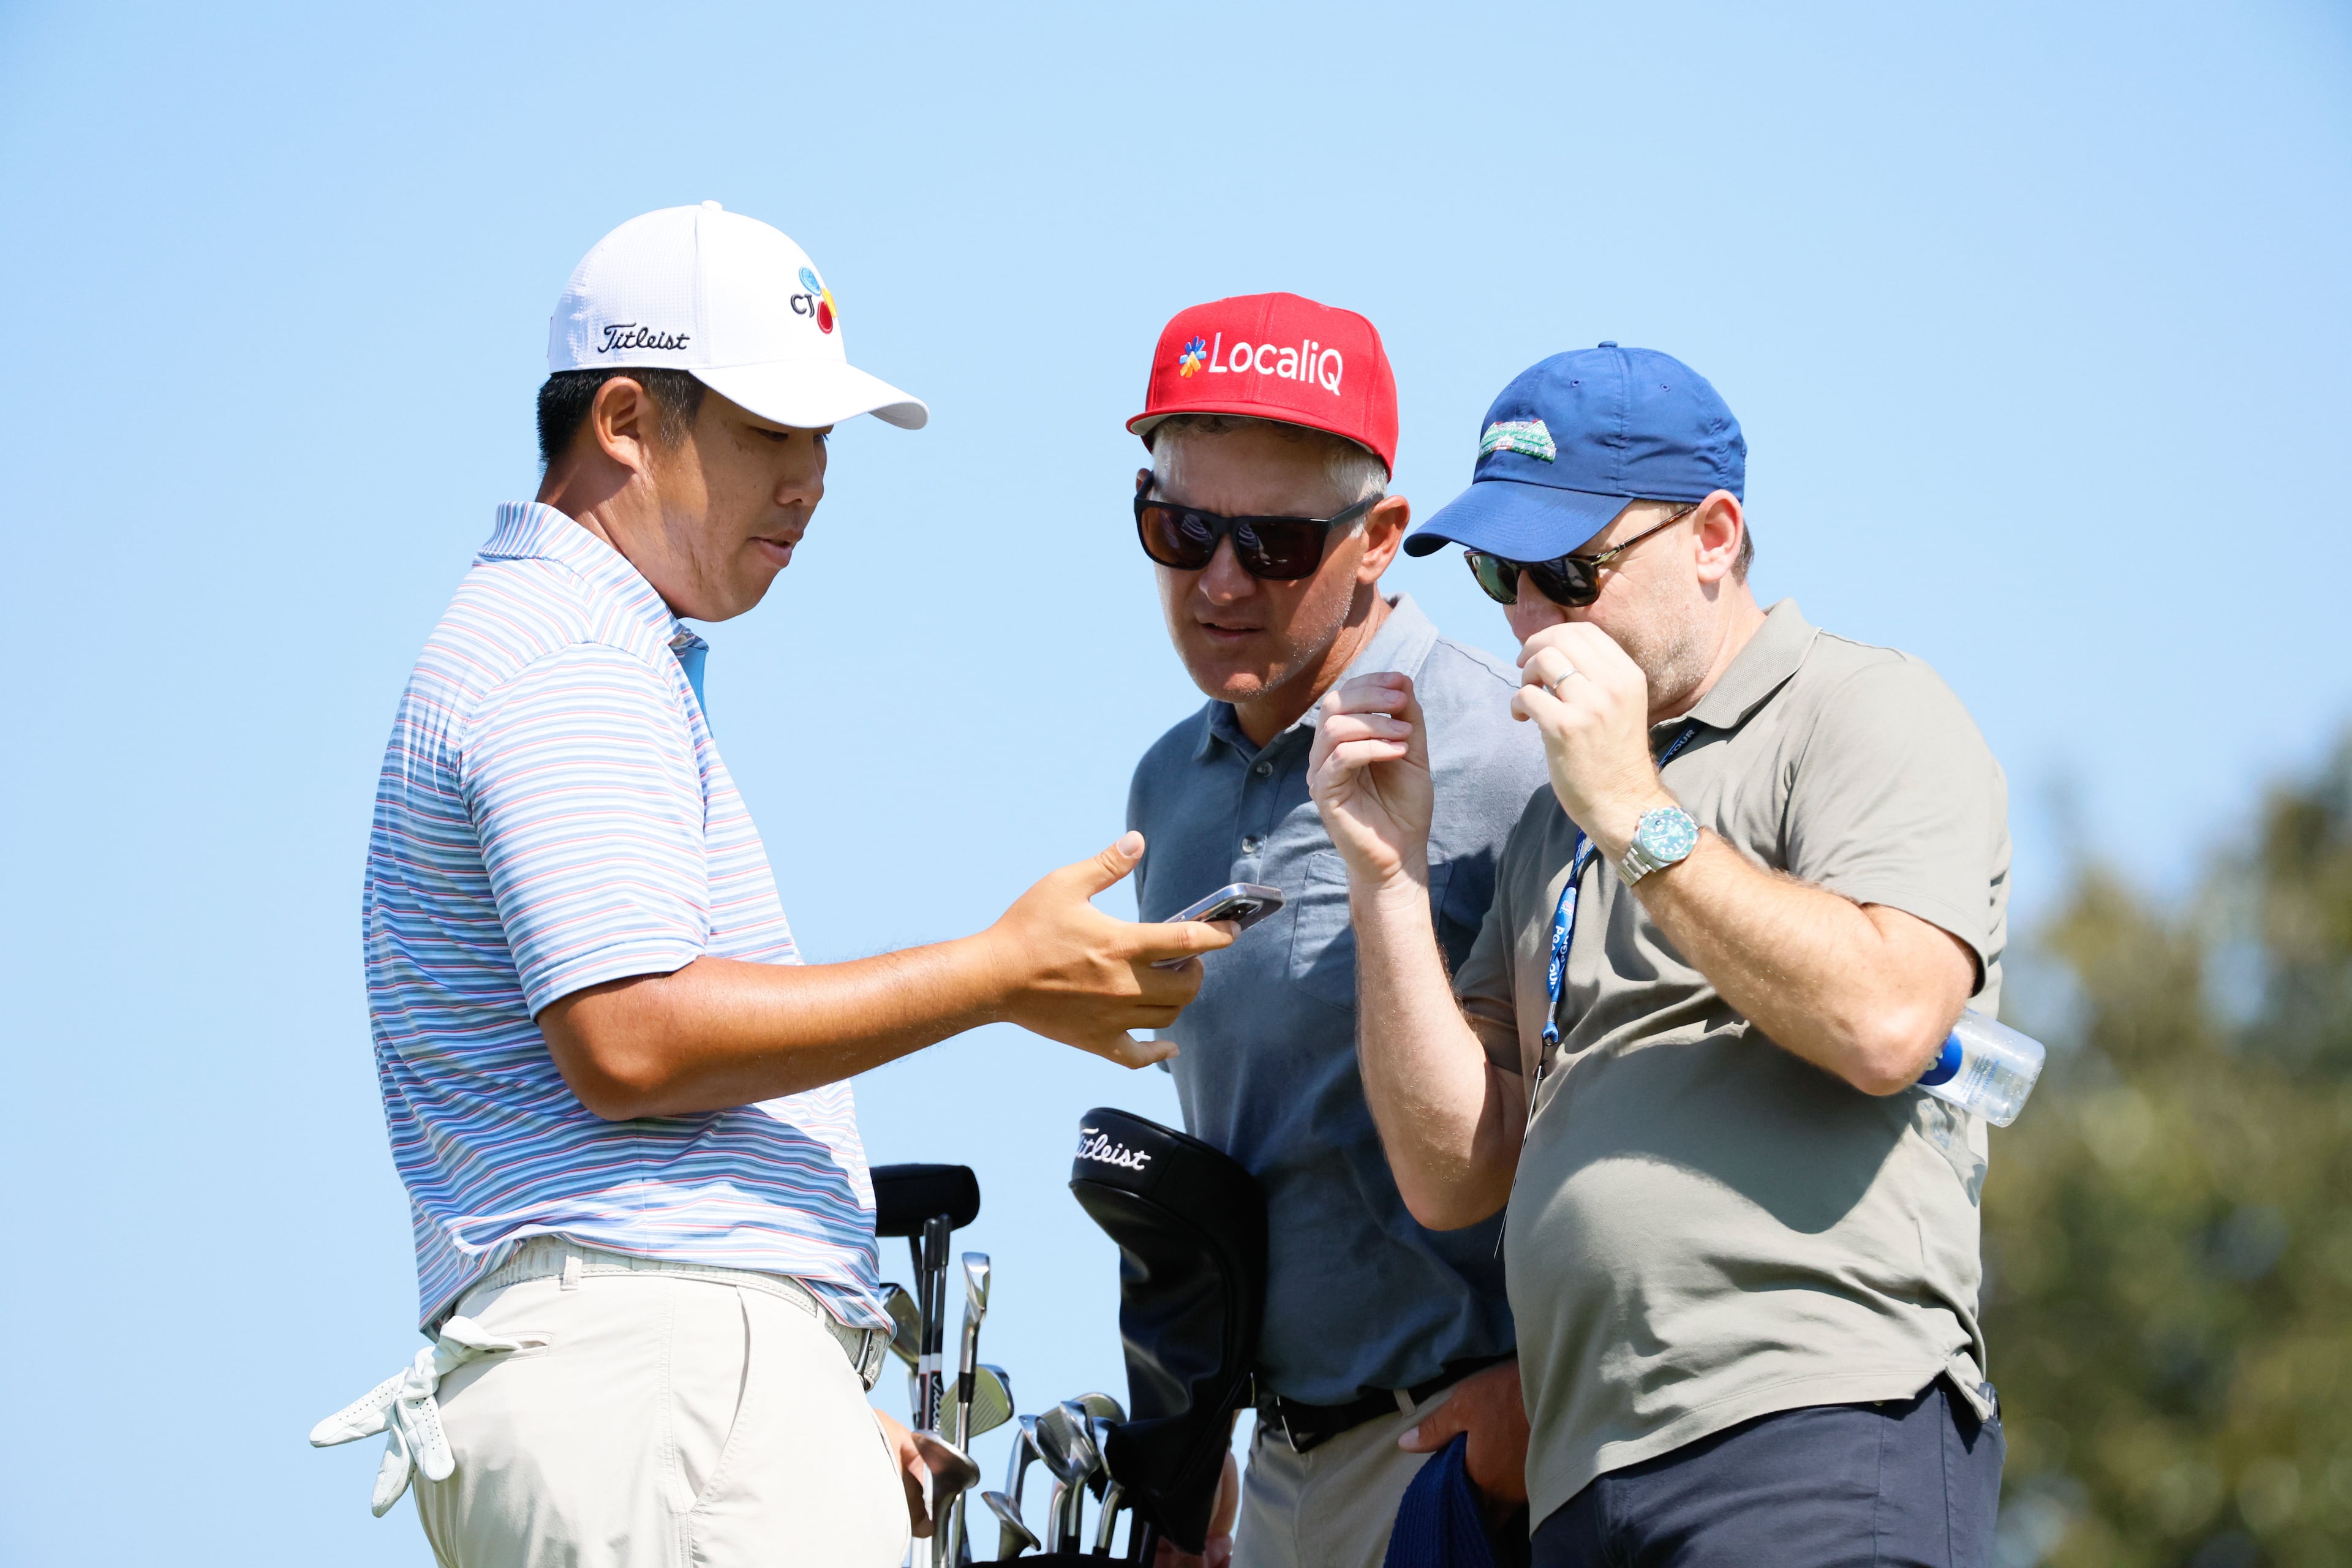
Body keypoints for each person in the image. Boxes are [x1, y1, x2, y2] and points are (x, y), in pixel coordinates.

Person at [311, 203, 1230, 1566]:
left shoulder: (561, 632)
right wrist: (997, 973)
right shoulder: (568, 647)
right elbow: (631, 1035)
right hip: (656, 1377)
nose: (809, 478)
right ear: (624, 420)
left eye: (821, 440)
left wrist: (798, 1394)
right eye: (767, 432)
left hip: (657, 1386)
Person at [1308, 345, 2009, 1566]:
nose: (1529, 614)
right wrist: (1386, 875)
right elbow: (1452, 1170)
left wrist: (1635, 809)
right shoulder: (1554, 818)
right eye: (1500, 573)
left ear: (1715, 536)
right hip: (1593, 1474)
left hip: (1813, 1430)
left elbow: (1890, 1017)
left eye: (1572, 570)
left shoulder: (1862, 708)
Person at [1123, 293, 1550, 1568]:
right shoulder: (1166, 788)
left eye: (1275, 543)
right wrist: (1195, 1450)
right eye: (1180, 525)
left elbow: (1632, 1095)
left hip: (1458, 1462)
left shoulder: (1507, 748)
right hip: (1270, 1474)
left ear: (1378, 539)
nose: (1218, 578)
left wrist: (1542, 1393)